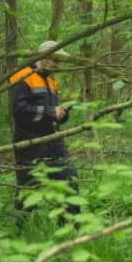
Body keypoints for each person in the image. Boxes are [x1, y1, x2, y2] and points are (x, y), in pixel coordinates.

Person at [10, 40, 79, 226]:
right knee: (29, 187)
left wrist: (61, 114)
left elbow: (50, 111)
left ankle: (71, 229)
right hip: (29, 142)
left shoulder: (51, 79)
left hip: (54, 140)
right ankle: (20, 232)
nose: (58, 64)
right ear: (44, 57)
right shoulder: (22, 75)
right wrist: (50, 112)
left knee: (69, 177)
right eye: (56, 59)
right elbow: (19, 110)